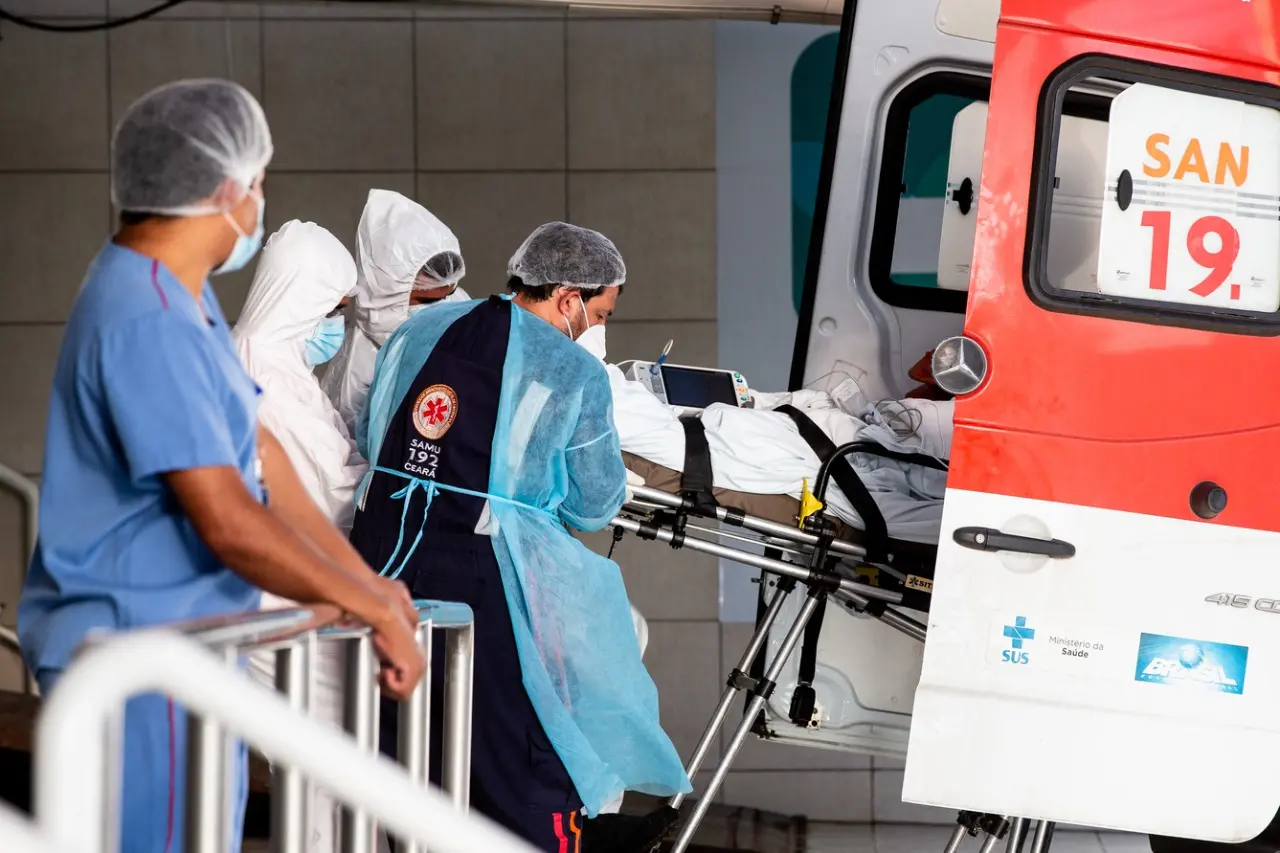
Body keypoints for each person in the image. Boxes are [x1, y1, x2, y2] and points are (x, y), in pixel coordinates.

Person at [16, 79, 425, 853]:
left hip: (188, 650)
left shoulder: (181, 297)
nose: (260, 203)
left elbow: (261, 455)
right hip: (137, 655)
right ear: (226, 188)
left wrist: (367, 586)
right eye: (259, 182)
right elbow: (229, 518)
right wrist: (366, 605)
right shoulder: (147, 317)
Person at [351, 222, 688, 852]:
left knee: (404, 738)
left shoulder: (420, 329)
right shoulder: (572, 371)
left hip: (379, 551)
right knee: (523, 743)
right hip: (480, 568)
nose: (593, 329)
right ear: (568, 298)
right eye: (598, 314)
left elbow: (375, 428)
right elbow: (593, 505)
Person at [231, 219, 369, 853]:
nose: (337, 326)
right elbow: (325, 495)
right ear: (302, 299)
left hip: (290, 593)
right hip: (276, 601)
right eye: (333, 310)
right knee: (326, 766)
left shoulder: (274, 360)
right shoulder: (265, 374)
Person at [320, 189, 468, 440]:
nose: (441, 309)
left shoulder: (458, 305)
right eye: (425, 301)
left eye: (448, 296)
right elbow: (353, 446)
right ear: (388, 291)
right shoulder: (359, 367)